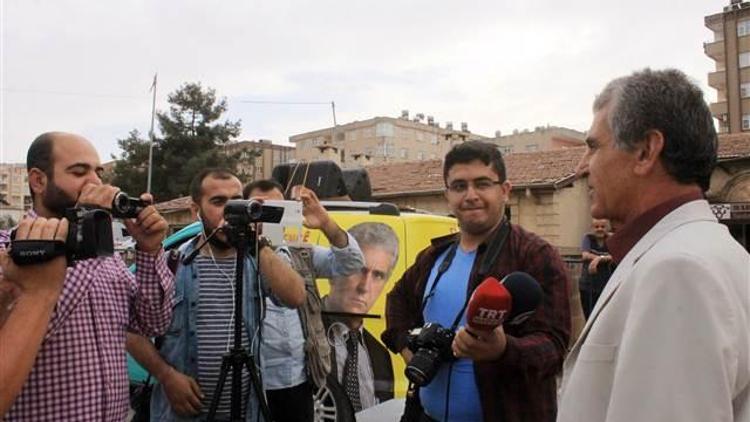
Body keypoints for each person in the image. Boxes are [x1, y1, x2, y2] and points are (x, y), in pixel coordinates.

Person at [557, 69, 750, 421]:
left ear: (646, 151)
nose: (583, 167)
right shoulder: (698, 251)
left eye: (594, 147)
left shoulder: (680, 270)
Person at [383, 141, 571, 422]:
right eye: (459, 186)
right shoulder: (434, 256)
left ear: (505, 190)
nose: (470, 195)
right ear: (447, 195)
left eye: (482, 184)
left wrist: (503, 349)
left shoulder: (535, 256)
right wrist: (405, 345)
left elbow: (554, 349)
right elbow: (397, 299)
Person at [0, 132, 175, 421]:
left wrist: (149, 251)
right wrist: (80, 228)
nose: (95, 182)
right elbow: (34, 324)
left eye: (98, 172)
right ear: (38, 181)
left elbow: (153, 322)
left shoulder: (109, 260)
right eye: (79, 172)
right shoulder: (8, 249)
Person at [126, 169, 306, 421]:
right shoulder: (173, 263)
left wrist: (257, 243)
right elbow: (130, 330)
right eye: (218, 202)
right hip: (182, 413)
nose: (229, 212)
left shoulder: (256, 262)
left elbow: (296, 297)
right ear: (194, 210)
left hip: (245, 411)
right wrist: (166, 376)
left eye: (235, 202)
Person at [243, 179, 364, 422]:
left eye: (276, 210)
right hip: (251, 381)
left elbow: (352, 263)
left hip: (298, 378)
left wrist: (326, 223)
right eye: (260, 209)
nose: (267, 219)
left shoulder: (301, 252)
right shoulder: (235, 258)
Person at [322, 222, 398, 412]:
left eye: (378, 275)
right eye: (358, 269)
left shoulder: (380, 356)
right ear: (332, 271)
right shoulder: (301, 333)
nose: (365, 286)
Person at [578, 218, 614, 318]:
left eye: (603, 227)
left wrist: (598, 259)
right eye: (596, 227)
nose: (600, 229)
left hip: (606, 286)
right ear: (592, 228)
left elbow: (616, 255)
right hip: (588, 286)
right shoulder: (588, 238)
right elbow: (585, 255)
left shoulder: (611, 239)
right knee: (589, 317)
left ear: (607, 228)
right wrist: (602, 258)